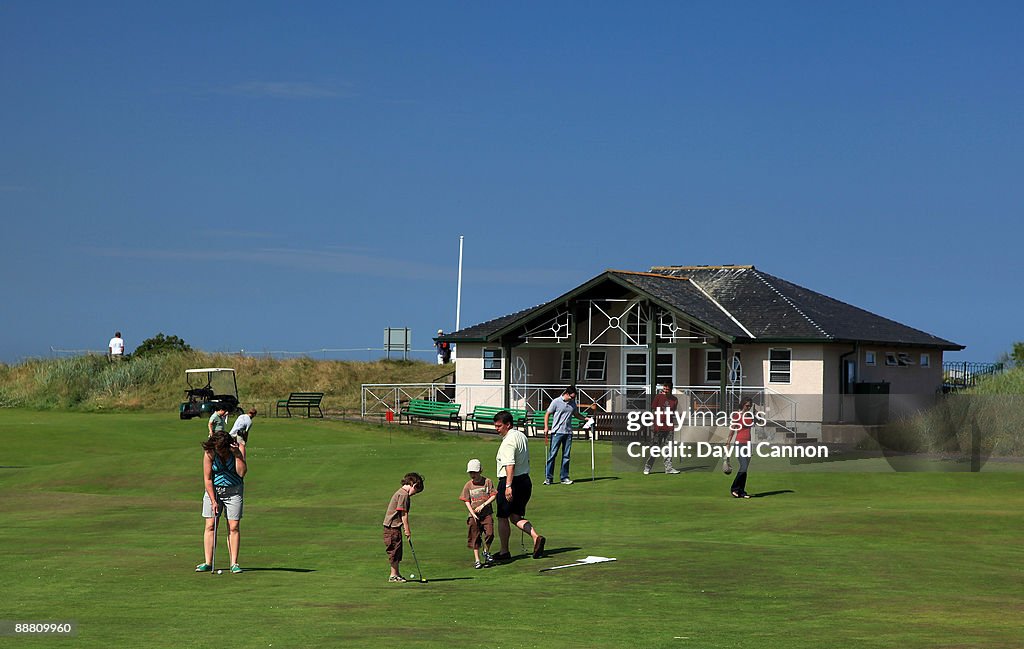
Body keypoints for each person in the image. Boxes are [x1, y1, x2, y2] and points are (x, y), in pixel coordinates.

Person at [492, 410, 546, 561]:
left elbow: (510, 465)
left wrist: (508, 486)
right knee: (515, 516)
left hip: (511, 481)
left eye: (499, 426)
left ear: (507, 425)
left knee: (502, 517)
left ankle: (504, 551)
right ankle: (536, 537)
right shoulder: (521, 435)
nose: (496, 429)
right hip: (525, 481)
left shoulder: (508, 441)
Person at [196, 431, 247, 574]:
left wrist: (237, 455)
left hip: (234, 491)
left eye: (222, 449)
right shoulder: (210, 453)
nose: (220, 452)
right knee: (211, 525)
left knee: (234, 526)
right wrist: (213, 500)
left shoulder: (238, 448)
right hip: (214, 491)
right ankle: (207, 562)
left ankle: (234, 563)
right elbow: (207, 479)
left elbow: (242, 473)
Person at [382, 472, 425, 582]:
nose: (413, 494)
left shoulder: (401, 493)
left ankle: (396, 574)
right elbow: (403, 514)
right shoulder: (404, 495)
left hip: (392, 528)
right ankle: (393, 575)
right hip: (392, 528)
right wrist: (407, 530)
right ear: (413, 485)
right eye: (415, 492)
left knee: (397, 551)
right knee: (394, 551)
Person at [543, 386, 588, 485]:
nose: (573, 399)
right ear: (566, 394)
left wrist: (586, 419)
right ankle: (548, 478)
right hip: (557, 432)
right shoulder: (556, 401)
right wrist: (546, 427)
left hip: (568, 433)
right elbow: (547, 414)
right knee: (552, 455)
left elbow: (576, 414)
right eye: (571, 397)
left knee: (566, 456)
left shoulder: (572, 403)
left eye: (574, 398)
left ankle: (564, 477)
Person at [460, 458, 496, 569]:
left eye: (474, 472)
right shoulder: (468, 485)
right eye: (471, 472)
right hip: (473, 515)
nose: (472, 475)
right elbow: (466, 501)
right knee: (475, 537)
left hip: (486, 513)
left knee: (490, 533)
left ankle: (486, 551)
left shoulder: (487, 482)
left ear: (480, 471)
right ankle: (477, 560)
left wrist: (483, 505)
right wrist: (473, 513)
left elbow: (493, 495)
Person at [644, 382, 682, 475]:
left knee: (668, 448)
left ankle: (668, 468)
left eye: (667, 390)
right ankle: (648, 467)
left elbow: (673, 412)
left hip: (669, 427)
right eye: (664, 389)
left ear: (671, 389)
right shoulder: (658, 397)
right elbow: (653, 411)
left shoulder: (674, 399)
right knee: (655, 448)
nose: (665, 391)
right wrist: (653, 425)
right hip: (658, 427)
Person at [725, 398, 755, 498]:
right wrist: (728, 443)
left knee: (745, 469)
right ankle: (734, 489)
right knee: (743, 466)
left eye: (750, 405)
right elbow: (732, 431)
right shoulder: (737, 416)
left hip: (748, 444)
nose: (749, 407)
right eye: (747, 405)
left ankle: (741, 492)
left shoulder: (750, 416)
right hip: (739, 443)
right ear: (742, 405)